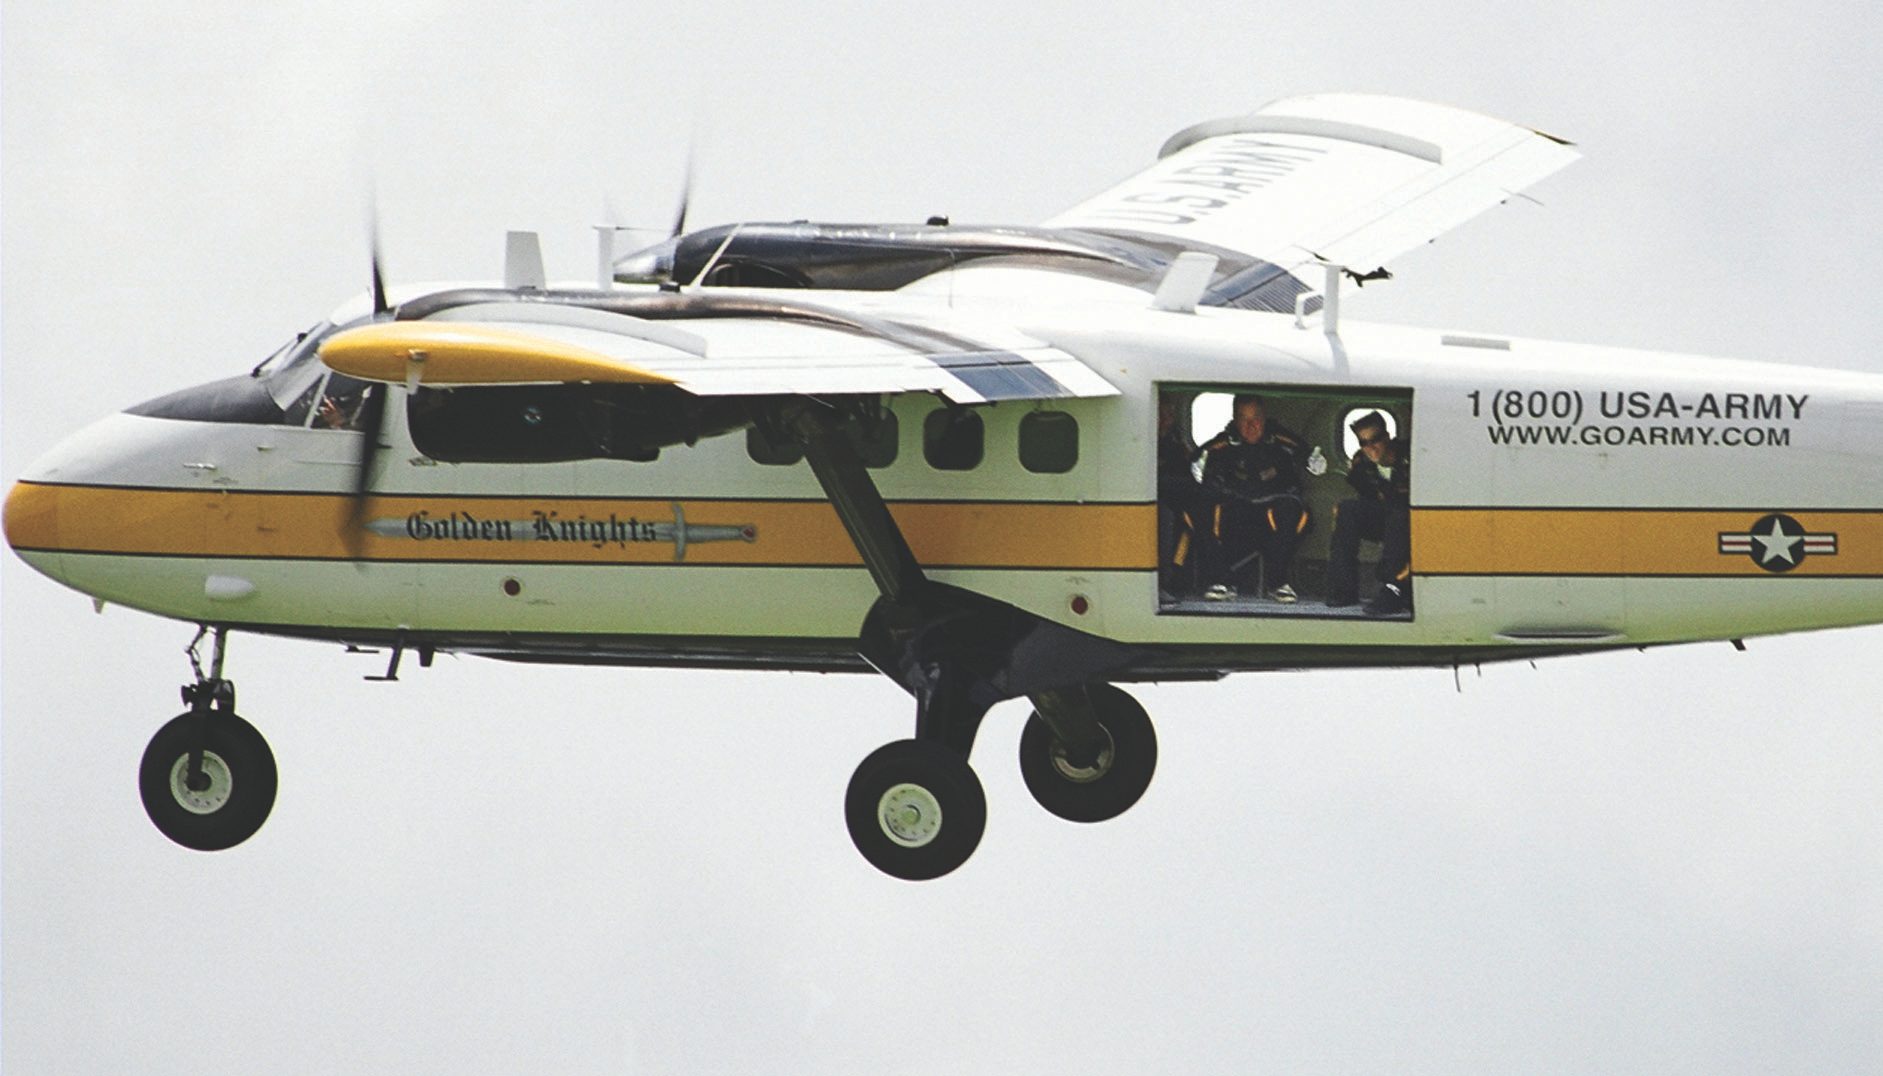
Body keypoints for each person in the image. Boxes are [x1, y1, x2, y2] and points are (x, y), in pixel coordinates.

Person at [1196, 395, 1315, 602]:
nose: (1251, 426)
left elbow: (1307, 453)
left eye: (1256, 418)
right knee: (1207, 507)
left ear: (1265, 418)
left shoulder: (1279, 438)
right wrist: (1200, 466)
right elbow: (1199, 457)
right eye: (1243, 419)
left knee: (1294, 510)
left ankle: (1277, 583)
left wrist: (1313, 461)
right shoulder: (1225, 443)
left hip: (1274, 506)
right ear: (1235, 420)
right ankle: (1222, 581)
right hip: (1238, 507)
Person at [1325, 410, 1412, 615]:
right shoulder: (1361, 464)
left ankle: (1394, 589)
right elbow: (1365, 494)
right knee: (1347, 510)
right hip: (1385, 519)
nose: (1370, 447)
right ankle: (1344, 589)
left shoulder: (1411, 455)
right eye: (1364, 442)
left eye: (1375, 439)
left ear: (1387, 437)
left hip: (1415, 521)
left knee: (1399, 514)